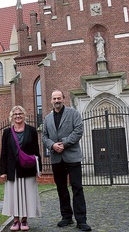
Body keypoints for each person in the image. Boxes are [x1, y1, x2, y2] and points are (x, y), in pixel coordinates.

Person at [42, 90, 92, 231]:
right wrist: (52, 145)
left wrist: (64, 143)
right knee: (61, 188)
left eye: (59, 98)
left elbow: (78, 130)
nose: (57, 100)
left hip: (72, 157)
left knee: (77, 188)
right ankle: (66, 217)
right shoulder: (47, 118)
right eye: (54, 98)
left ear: (63, 99)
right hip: (57, 159)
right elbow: (44, 136)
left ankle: (81, 220)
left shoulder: (73, 113)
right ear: (51, 101)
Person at [0, 106, 42, 231]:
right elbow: (4, 152)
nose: (18, 116)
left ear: (24, 115)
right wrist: (3, 171)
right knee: (14, 195)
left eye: (20, 114)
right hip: (13, 169)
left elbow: (36, 150)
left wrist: (38, 170)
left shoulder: (32, 131)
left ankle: (24, 220)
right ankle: (16, 219)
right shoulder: (7, 132)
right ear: (12, 117)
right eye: (15, 114)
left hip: (28, 168)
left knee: (27, 194)